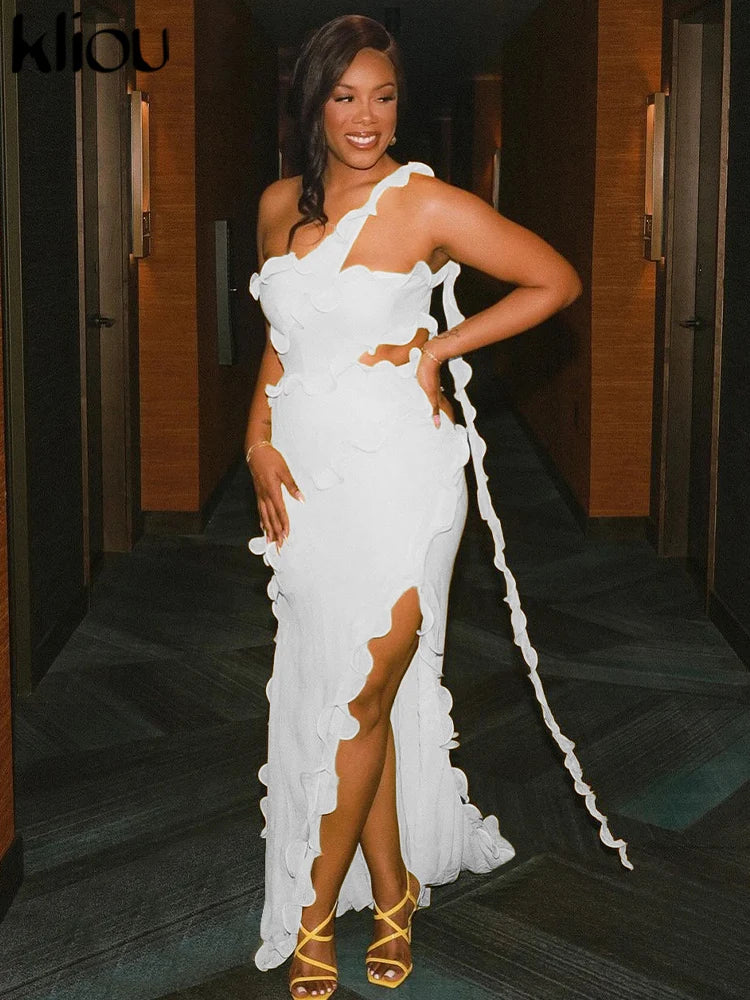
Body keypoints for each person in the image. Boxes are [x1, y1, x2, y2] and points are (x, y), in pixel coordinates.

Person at [245, 14, 632, 998]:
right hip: (307, 478)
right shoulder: (278, 207)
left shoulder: (423, 203)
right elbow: (281, 345)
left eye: (382, 97)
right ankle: (394, 888)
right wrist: (256, 441)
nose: (365, 116)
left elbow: (554, 279)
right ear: (313, 104)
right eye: (345, 96)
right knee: (353, 695)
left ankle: (311, 913)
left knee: (365, 688)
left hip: (403, 474)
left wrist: (437, 349)